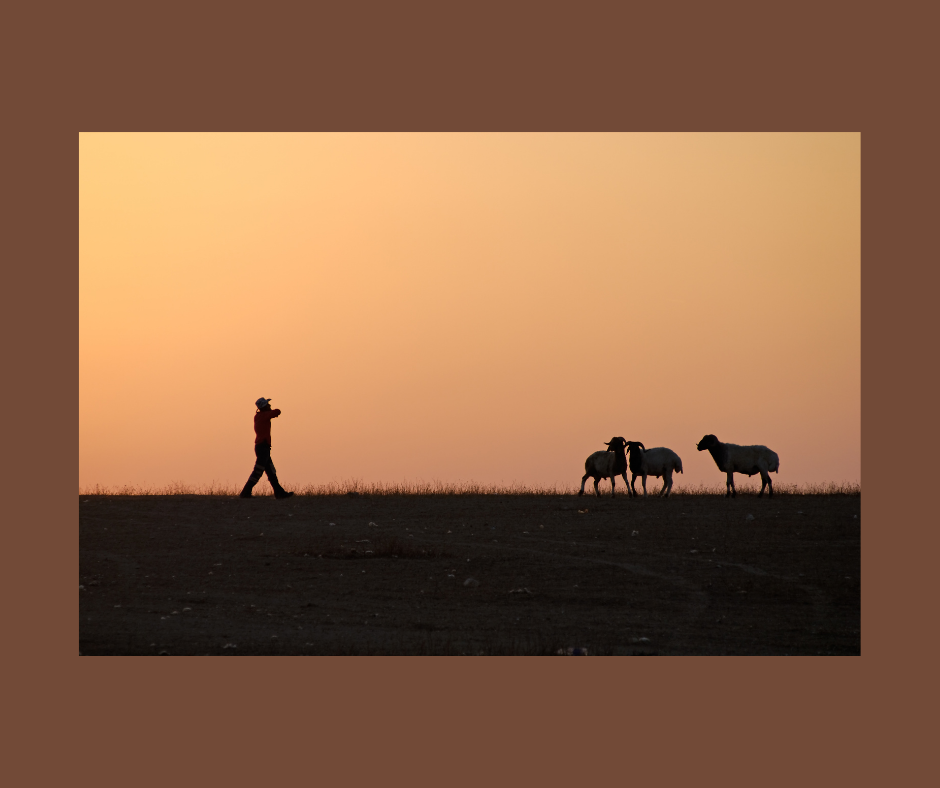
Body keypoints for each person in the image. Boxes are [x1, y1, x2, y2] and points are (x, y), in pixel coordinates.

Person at [239, 397, 294, 499]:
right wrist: (271, 411)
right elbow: (277, 412)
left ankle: (279, 493)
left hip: (262, 447)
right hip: (263, 448)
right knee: (258, 471)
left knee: (271, 472)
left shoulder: (258, 416)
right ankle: (245, 493)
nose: (270, 406)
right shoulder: (264, 416)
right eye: (268, 405)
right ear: (264, 407)